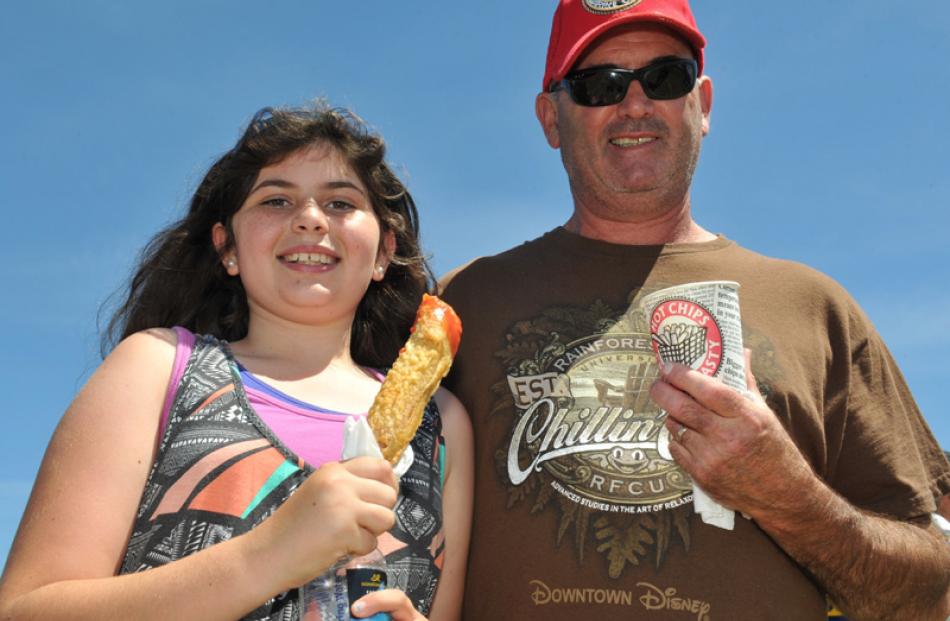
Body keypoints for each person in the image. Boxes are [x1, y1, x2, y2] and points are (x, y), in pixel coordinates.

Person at [439, 1, 950, 619]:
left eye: (665, 78)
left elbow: (929, 595)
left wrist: (788, 497)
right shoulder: (461, 304)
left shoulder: (817, 309)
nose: (634, 105)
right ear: (551, 118)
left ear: (702, 103)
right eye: (598, 85)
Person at [0, 103, 473, 621]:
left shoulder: (443, 425)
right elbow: (25, 608)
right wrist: (267, 555)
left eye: (340, 202)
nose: (311, 218)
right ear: (227, 247)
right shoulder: (157, 367)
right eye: (276, 200)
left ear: (384, 250)